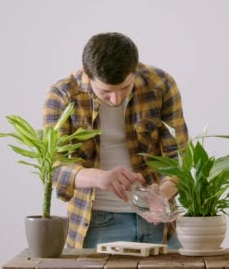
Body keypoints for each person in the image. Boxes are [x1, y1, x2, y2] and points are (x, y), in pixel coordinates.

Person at [42, 32, 188, 249]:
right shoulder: (63, 93)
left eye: (125, 88)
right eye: (106, 92)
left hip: (159, 224)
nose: (116, 99)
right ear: (87, 74)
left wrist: (163, 193)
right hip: (95, 224)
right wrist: (99, 178)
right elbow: (53, 165)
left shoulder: (160, 84)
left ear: (134, 70)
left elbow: (179, 157)